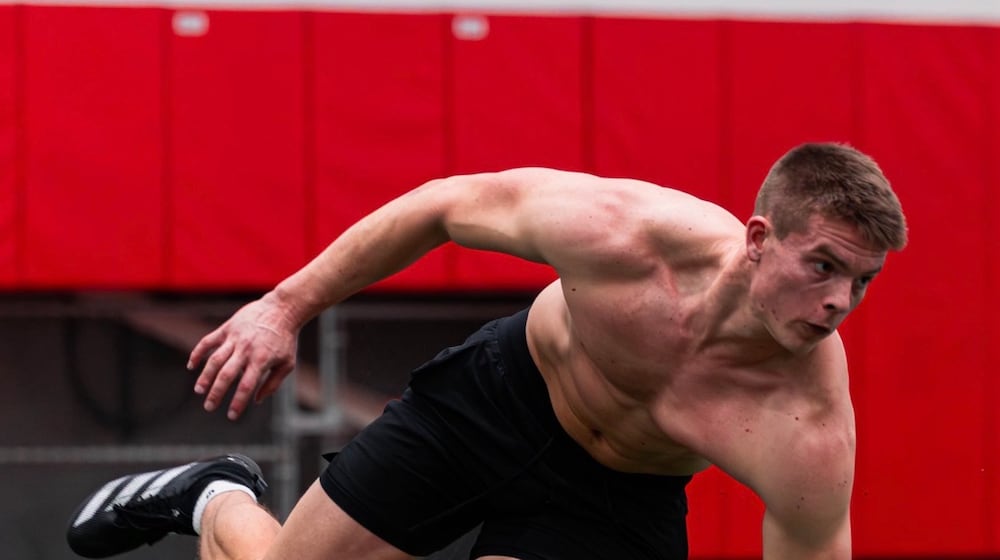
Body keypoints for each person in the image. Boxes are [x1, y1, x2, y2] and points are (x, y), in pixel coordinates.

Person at [67, 142, 906, 560]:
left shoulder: (807, 428)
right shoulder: (625, 234)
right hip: (495, 400)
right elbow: (442, 205)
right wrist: (284, 307)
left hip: (617, 499)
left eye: (861, 282)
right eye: (822, 266)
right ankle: (215, 496)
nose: (839, 302)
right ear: (759, 238)